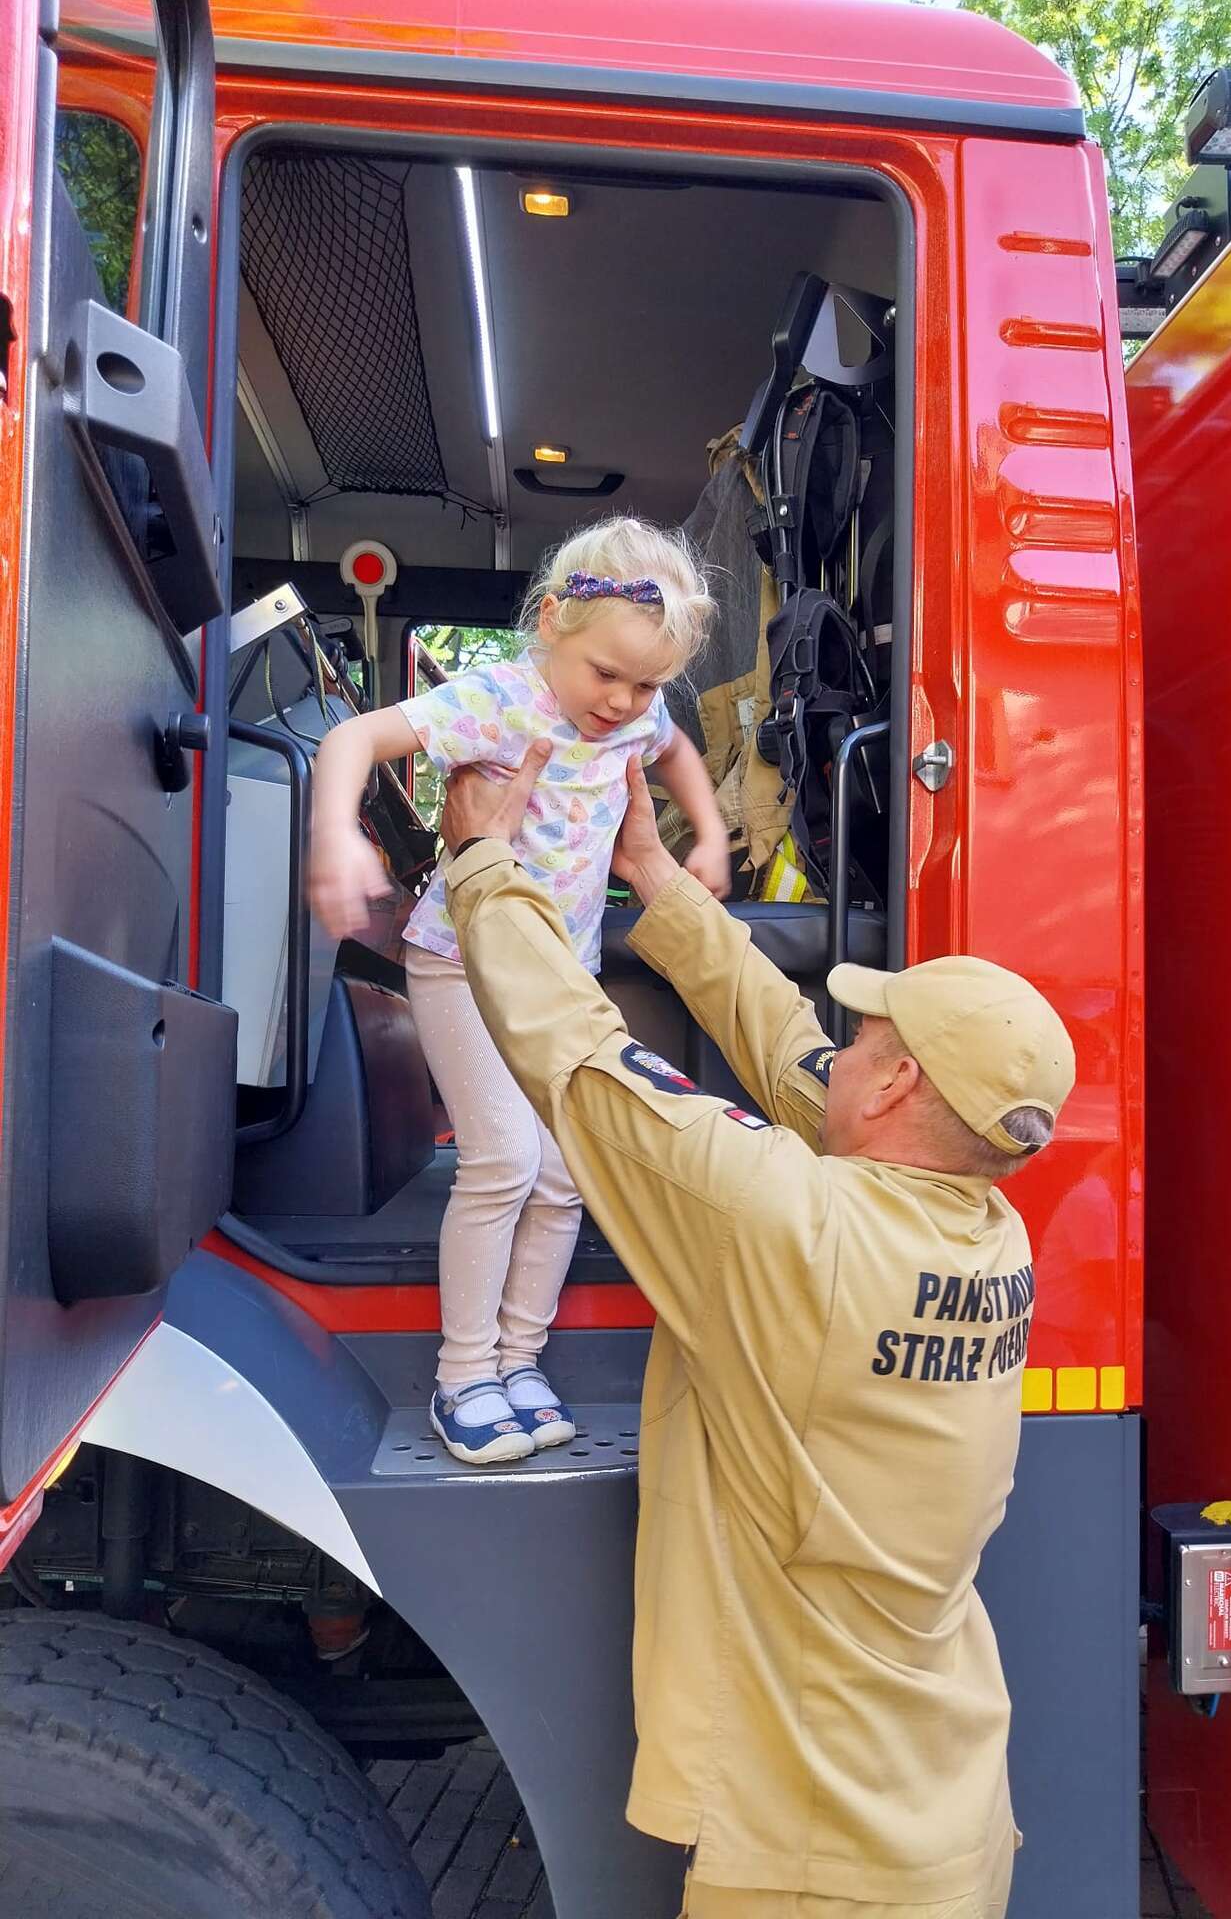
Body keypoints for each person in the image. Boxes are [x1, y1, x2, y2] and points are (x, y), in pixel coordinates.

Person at [436, 741, 1077, 1919]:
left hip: (816, 1866)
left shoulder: (788, 1226)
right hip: (946, 1822)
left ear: (897, 1088)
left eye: (869, 1035)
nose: (847, 1039)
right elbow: (793, 1054)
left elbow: (581, 1058)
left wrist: (479, 859)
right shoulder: (989, 1229)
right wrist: (657, 879)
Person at [308, 517, 730, 1466]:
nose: (622, 702)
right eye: (605, 674)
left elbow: (674, 752)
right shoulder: (501, 700)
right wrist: (336, 835)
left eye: (646, 685)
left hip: (558, 976)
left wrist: (705, 832)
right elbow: (353, 738)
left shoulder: (639, 714)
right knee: (501, 1158)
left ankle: (518, 1360)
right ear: (551, 625)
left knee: (565, 1172)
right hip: (462, 961)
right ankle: (463, 1375)